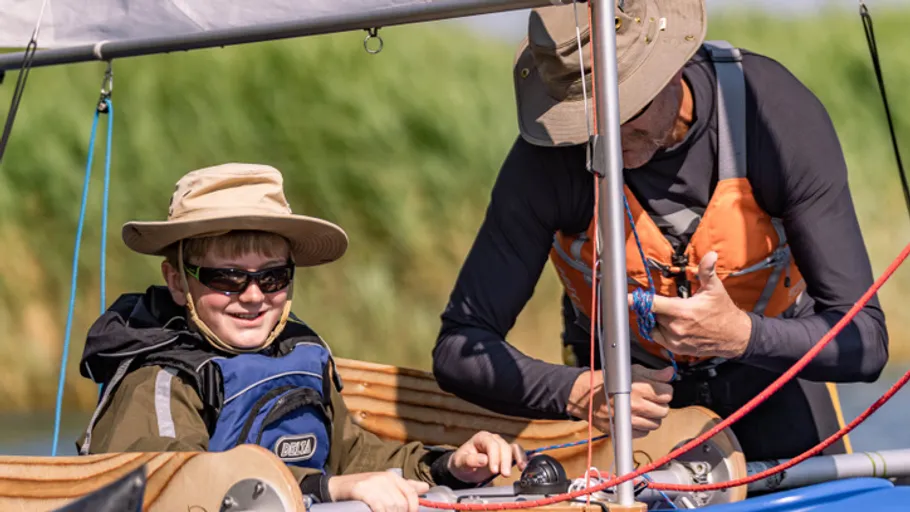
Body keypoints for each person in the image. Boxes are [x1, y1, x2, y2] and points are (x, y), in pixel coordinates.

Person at [433, 0, 888, 461]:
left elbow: (865, 343)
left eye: (626, 114)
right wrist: (571, 392)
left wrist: (740, 336)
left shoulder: (773, 116)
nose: (604, 139)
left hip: (773, 383)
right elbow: (458, 349)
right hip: (622, 408)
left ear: (671, 72)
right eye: (584, 122)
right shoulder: (548, 159)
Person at [77, 163, 527, 511]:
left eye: (273, 277)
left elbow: (354, 454)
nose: (253, 296)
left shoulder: (302, 354)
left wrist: (449, 466)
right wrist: (327, 489)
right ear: (178, 283)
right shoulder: (155, 382)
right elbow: (178, 485)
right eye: (227, 278)